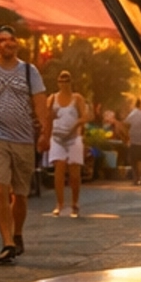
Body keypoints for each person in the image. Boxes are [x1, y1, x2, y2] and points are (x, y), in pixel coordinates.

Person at [0, 27, 46, 266]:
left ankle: (17, 234)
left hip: (24, 140)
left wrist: (45, 134)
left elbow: (41, 104)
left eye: (11, 39)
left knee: (20, 194)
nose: (7, 43)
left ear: (17, 44)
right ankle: (7, 243)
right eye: (2, 40)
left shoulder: (29, 71)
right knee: (0, 187)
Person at [45, 69, 89, 216]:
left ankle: (75, 203)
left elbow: (84, 117)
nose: (64, 83)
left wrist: (76, 126)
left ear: (71, 82)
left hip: (73, 137)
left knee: (74, 173)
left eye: (67, 80)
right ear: (58, 82)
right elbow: (47, 116)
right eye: (61, 81)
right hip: (57, 138)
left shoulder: (77, 98)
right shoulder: (53, 98)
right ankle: (60, 204)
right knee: (59, 169)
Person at [123, 95, 141, 184]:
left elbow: (126, 123)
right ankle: (139, 178)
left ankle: (136, 178)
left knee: (134, 160)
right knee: (140, 160)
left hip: (133, 139)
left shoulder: (133, 113)